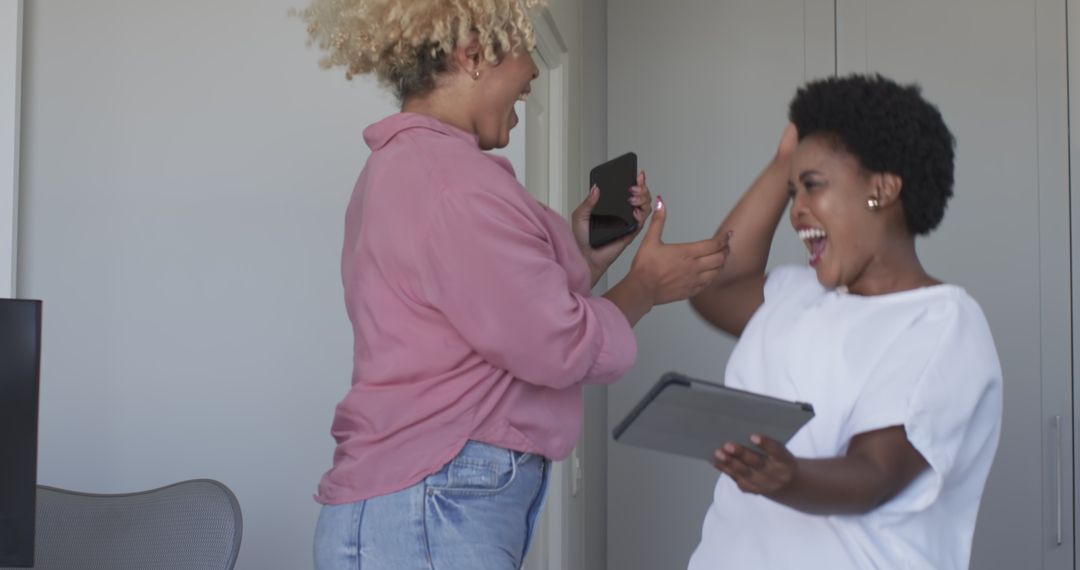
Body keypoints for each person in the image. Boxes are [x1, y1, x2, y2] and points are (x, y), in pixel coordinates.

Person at [295, 1, 730, 568]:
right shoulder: (455, 187)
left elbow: (491, 305)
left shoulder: (407, 171)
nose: (529, 82)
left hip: (409, 504)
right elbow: (556, 343)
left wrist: (583, 256)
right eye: (523, 69)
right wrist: (645, 286)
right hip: (429, 506)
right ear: (473, 54)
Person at [687, 74, 1003, 569]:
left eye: (812, 186)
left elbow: (874, 473)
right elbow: (713, 286)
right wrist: (782, 163)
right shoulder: (794, 293)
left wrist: (786, 477)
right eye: (792, 192)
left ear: (882, 188)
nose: (796, 212)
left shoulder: (942, 323)